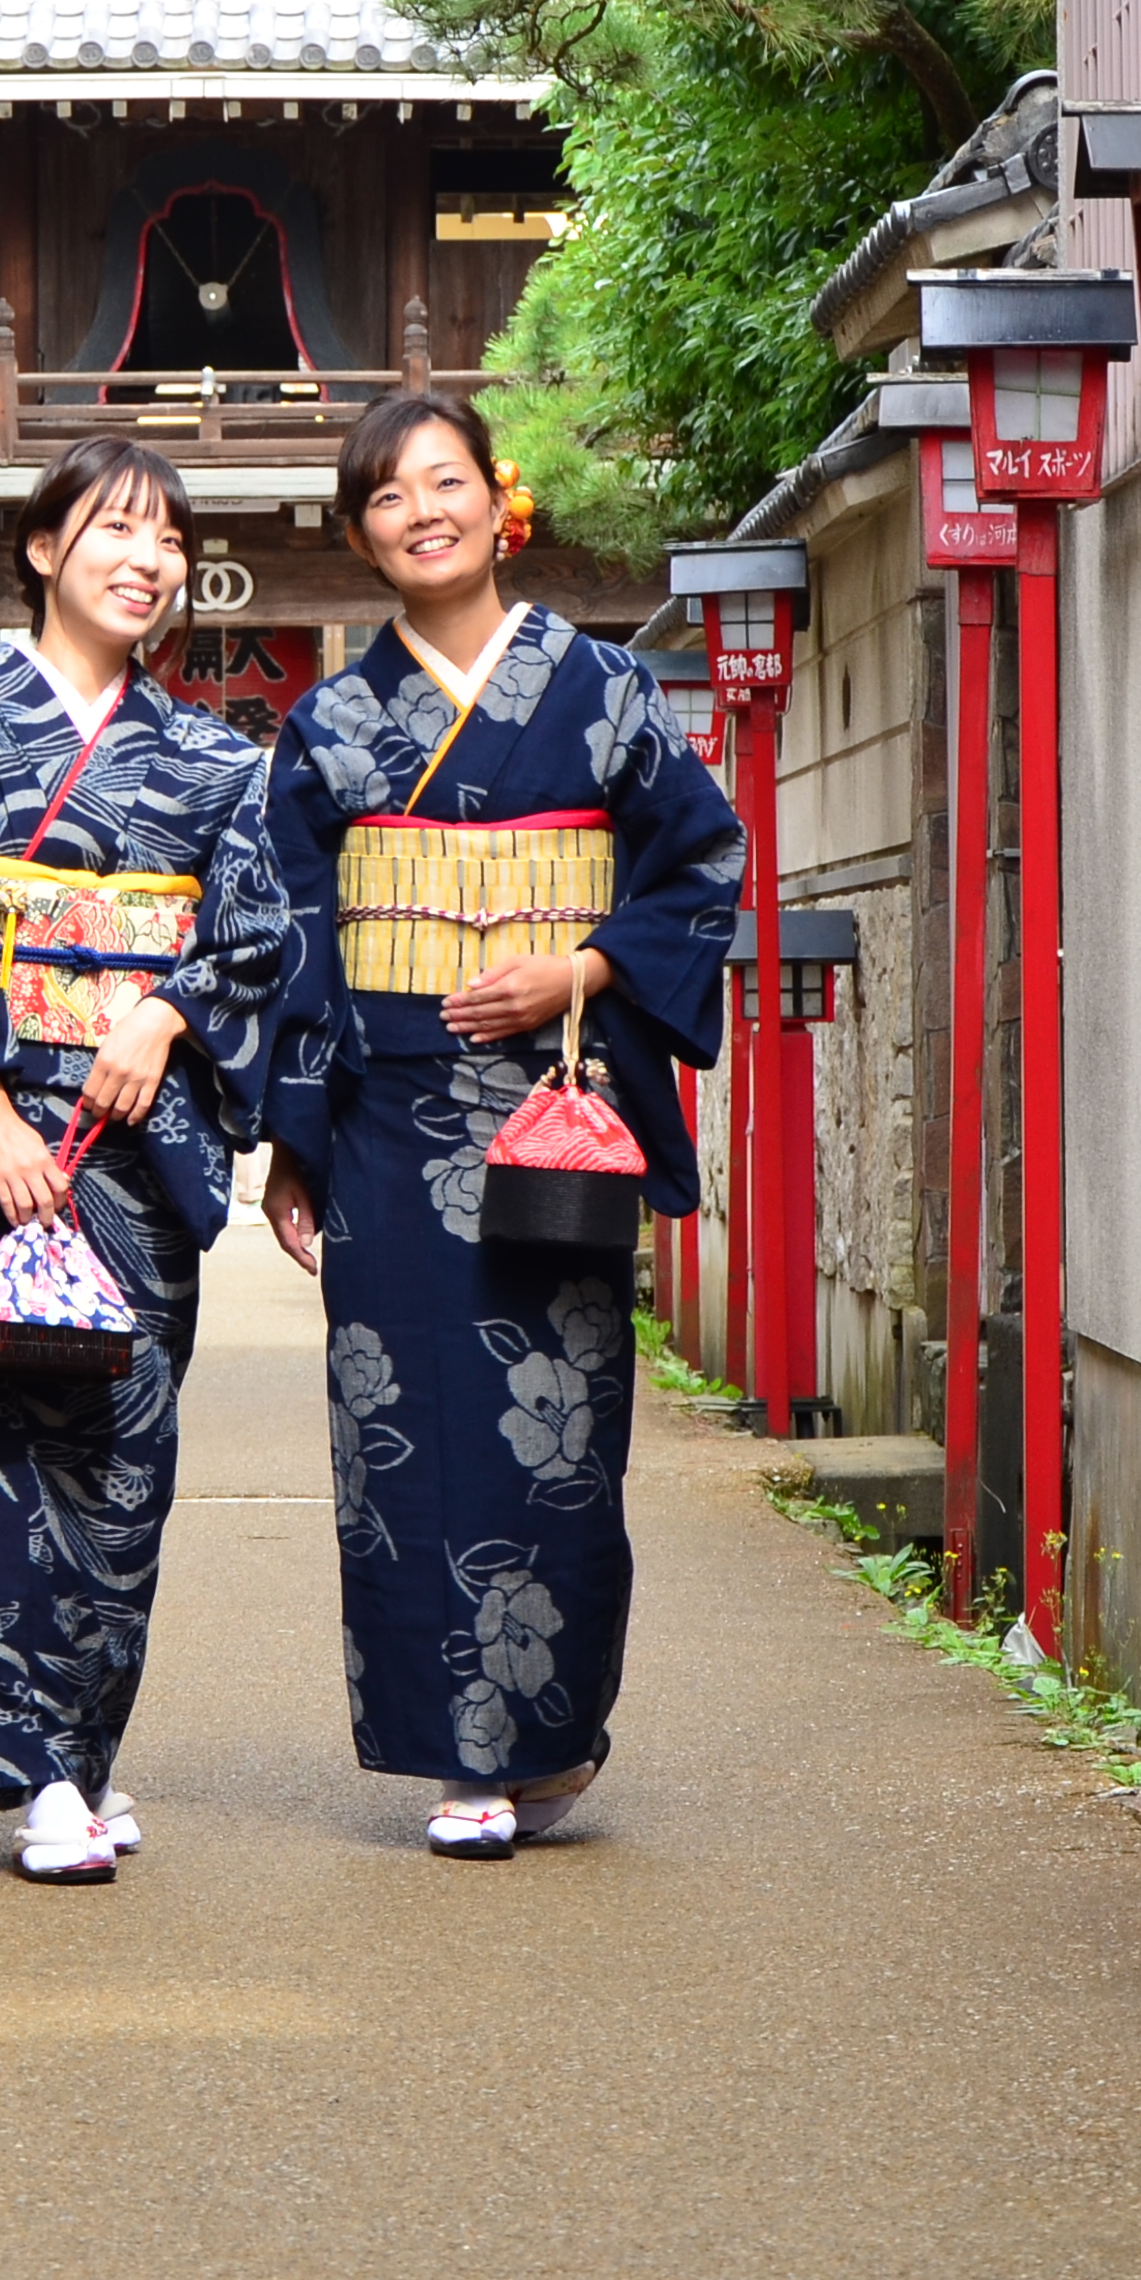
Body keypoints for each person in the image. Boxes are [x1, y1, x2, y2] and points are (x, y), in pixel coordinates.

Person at [261, 385, 744, 1859]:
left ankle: (554, 1729)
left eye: (446, 481)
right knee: (398, 1431)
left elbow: (700, 858)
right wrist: (295, 1138)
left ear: (497, 498)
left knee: (563, 1440)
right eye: (391, 497)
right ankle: (462, 1759)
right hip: (392, 1124)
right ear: (361, 535)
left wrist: (584, 966)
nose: (425, 512)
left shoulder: (602, 690)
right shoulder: (329, 724)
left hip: (557, 1111)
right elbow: (287, 929)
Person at [0, 437, 294, 1882]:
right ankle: (26, 1771)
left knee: (120, 1453)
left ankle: (84, 1753)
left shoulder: (219, 760)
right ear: (43, 550)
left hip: (133, 1152)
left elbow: (262, 940)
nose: (145, 559)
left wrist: (166, 1013)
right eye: (114, 530)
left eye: (167, 537)